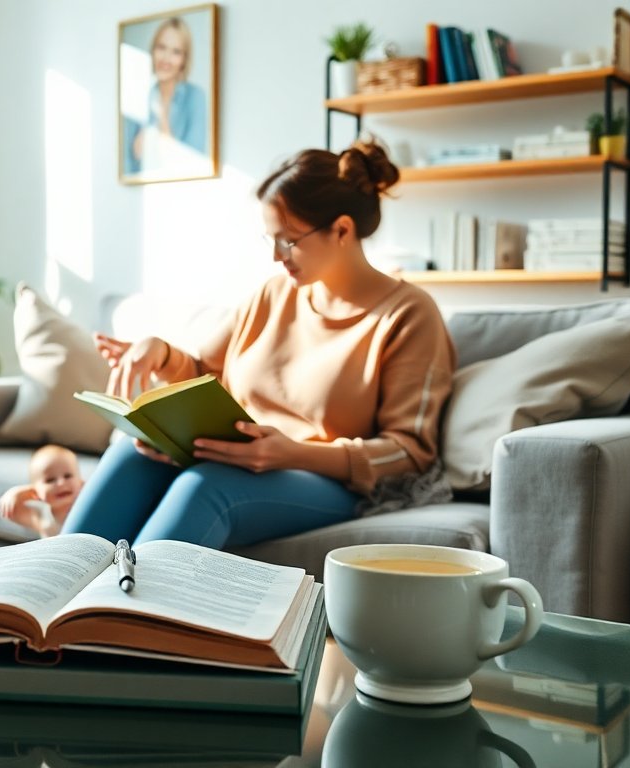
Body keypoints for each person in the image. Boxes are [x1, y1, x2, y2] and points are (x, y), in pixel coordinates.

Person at [62, 139, 456, 549]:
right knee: (134, 454)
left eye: (288, 240)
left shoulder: (408, 315)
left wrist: (293, 453)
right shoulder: (273, 294)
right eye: (270, 238)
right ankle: (40, 597)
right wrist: (159, 351)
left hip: (328, 481)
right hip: (238, 458)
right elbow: (203, 370)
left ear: (342, 230)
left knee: (209, 486)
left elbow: (410, 452)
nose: (275, 256)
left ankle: (123, 611)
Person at [124, 16, 207, 175]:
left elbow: (193, 163)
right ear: (152, 51)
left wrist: (161, 118)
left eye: (176, 52)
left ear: (184, 59)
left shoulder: (195, 97)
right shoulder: (139, 96)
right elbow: (131, 163)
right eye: (161, 48)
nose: (166, 59)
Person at [0, 444, 86, 538]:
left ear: (81, 482)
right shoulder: (40, 518)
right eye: (50, 480)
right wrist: (14, 493)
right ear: (35, 492)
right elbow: (9, 511)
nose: (61, 483)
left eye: (68, 476)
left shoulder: (86, 503)